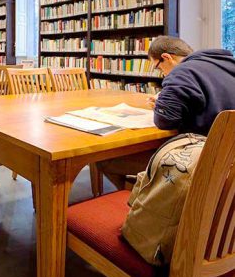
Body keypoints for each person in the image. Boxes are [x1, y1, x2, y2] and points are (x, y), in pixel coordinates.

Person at [99, 36, 235, 189]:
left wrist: (160, 106)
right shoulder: (225, 64)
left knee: (107, 160)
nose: (162, 74)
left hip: (203, 160)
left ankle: (143, 203)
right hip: (230, 158)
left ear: (166, 57)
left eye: (158, 67)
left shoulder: (181, 72)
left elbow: (165, 121)